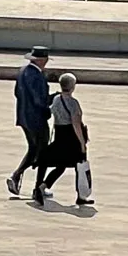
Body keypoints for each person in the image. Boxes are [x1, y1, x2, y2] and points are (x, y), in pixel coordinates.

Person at [37, 71, 92, 206]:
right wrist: (82, 143)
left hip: (59, 136)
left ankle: (42, 187)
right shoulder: (73, 103)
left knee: (60, 166)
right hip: (71, 137)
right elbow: (76, 124)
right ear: (73, 86)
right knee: (79, 165)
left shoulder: (56, 99)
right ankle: (81, 196)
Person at [8, 47, 52, 205]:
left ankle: (16, 176)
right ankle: (37, 188)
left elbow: (17, 93)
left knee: (33, 149)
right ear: (41, 61)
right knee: (43, 152)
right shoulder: (36, 76)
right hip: (36, 119)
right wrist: (49, 106)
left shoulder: (23, 72)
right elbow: (38, 100)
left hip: (24, 117)